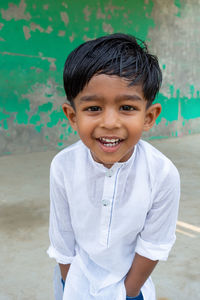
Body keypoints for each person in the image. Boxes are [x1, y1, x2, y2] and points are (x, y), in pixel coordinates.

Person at [47, 33, 180, 300]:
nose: (109, 122)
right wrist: (71, 286)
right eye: (94, 108)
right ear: (72, 116)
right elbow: (63, 239)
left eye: (127, 107)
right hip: (73, 283)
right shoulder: (63, 166)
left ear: (149, 116)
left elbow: (153, 245)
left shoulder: (163, 174)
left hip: (130, 287)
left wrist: (125, 294)